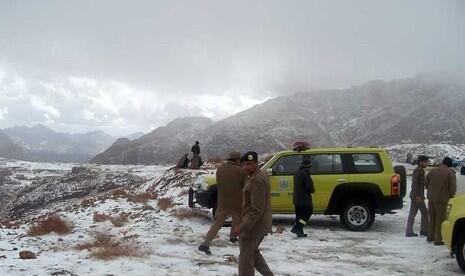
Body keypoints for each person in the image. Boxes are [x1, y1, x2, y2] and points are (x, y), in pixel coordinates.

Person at [231, 151, 274, 276]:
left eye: (249, 164)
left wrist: (241, 227)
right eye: (243, 164)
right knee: (253, 253)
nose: (246, 167)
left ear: (256, 163)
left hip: (253, 227)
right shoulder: (255, 176)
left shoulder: (257, 180)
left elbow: (256, 209)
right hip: (256, 225)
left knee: (245, 258)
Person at [198, 151, 247, 255]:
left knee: (217, 223)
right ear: (238, 159)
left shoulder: (220, 169)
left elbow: (219, 184)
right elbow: (245, 186)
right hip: (237, 200)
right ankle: (234, 237)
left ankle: (205, 243)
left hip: (222, 201)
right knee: (237, 219)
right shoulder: (241, 171)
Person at [425, 157, 457, 245]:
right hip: (442, 200)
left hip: (431, 198)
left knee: (432, 218)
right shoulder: (450, 173)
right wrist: (450, 197)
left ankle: (430, 236)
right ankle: (438, 239)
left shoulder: (432, 171)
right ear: (449, 164)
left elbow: (426, 183)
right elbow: (452, 189)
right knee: (440, 220)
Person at [405, 155, 429, 237]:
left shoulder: (421, 170)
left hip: (416, 195)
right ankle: (424, 230)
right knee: (424, 213)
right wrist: (418, 196)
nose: (427, 163)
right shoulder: (418, 171)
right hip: (417, 196)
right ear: (421, 162)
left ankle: (409, 231)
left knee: (413, 213)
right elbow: (414, 184)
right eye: (425, 162)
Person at [291, 157, 314, 238]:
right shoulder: (305, 174)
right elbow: (309, 187)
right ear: (307, 166)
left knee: (299, 216)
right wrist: (312, 190)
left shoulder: (297, 172)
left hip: (297, 199)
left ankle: (299, 232)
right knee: (308, 213)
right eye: (310, 167)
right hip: (304, 199)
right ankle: (298, 227)